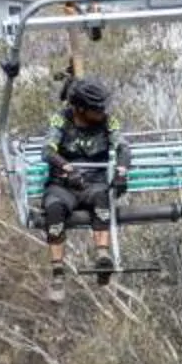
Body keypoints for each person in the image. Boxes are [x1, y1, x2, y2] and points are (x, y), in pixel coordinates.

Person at [41, 75, 129, 283]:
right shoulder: (61, 120)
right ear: (81, 108)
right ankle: (58, 273)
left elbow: (123, 147)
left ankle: (102, 257)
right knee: (54, 209)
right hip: (62, 185)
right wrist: (67, 167)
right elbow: (47, 150)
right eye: (96, 109)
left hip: (93, 184)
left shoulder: (108, 122)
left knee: (102, 198)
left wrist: (121, 171)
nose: (102, 112)